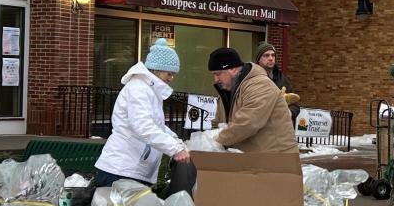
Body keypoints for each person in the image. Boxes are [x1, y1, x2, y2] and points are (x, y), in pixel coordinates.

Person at [94, 38, 190, 187]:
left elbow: (157, 126)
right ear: (156, 70)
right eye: (169, 74)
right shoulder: (138, 89)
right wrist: (175, 148)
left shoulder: (148, 90)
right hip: (121, 170)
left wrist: (177, 143)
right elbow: (143, 126)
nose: (171, 78)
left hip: (130, 170)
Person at [209, 47, 297, 153]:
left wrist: (214, 141)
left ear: (232, 69)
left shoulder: (260, 85)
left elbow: (247, 123)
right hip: (251, 159)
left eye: (218, 74)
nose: (216, 79)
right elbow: (218, 123)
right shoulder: (227, 92)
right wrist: (210, 138)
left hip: (276, 159)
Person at [254, 41, 300, 124]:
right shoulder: (252, 79)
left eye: (273, 55)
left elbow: (295, 105)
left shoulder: (282, 79)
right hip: (259, 129)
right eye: (266, 55)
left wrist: (289, 113)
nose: (271, 58)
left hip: (280, 130)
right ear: (258, 59)